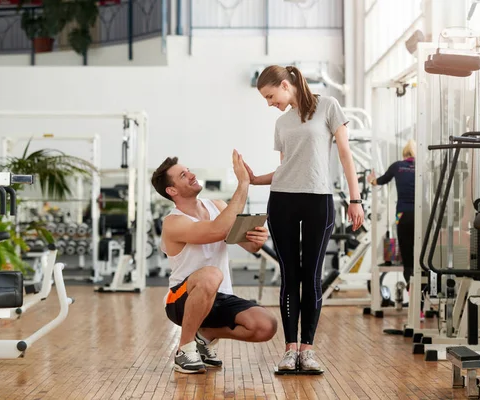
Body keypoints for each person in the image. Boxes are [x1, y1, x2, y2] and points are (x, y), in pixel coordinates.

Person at [243, 65, 365, 372]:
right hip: (282, 199)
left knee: (311, 276)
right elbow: (287, 167)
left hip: (318, 201)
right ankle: (289, 350)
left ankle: (307, 350)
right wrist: (256, 179)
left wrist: (355, 199)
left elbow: (345, 154)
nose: (270, 103)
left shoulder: (328, 107)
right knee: (289, 275)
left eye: (271, 96)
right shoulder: (282, 123)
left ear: (285, 85)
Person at [151, 150, 278, 374]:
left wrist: (257, 239)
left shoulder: (217, 206)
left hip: (219, 296)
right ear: (172, 191)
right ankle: (184, 350)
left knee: (266, 326)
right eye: (183, 176)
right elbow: (217, 230)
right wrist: (243, 184)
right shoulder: (173, 222)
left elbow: (248, 245)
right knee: (211, 274)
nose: (191, 175)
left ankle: (205, 336)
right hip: (180, 300)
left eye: (188, 171)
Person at [367, 139, 416, 304]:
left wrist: (371, 179)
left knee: (407, 254)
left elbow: (379, 182)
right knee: (420, 254)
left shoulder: (397, 166)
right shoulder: (422, 167)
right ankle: (421, 302)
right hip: (421, 214)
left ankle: (410, 284)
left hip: (402, 215)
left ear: (404, 153)